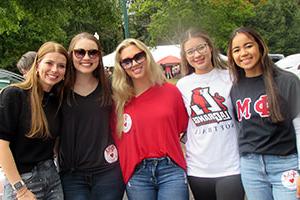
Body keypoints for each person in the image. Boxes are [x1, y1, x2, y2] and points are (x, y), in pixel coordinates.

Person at [227, 27, 300, 200]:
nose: (243, 53)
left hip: (284, 165)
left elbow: (299, 129)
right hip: (251, 168)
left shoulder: (287, 81)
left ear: (260, 46)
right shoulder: (235, 88)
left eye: (248, 46)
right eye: (236, 50)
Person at [111, 38, 189, 200]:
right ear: (122, 67)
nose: (134, 63)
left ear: (147, 56)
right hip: (137, 173)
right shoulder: (118, 101)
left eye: (138, 56)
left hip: (171, 169)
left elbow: (183, 128)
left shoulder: (171, 92)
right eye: (126, 61)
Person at [176, 28, 244, 200]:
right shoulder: (182, 85)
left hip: (231, 167)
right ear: (185, 56)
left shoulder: (231, 76)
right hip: (198, 169)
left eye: (201, 47)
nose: (197, 54)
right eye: (190, 51)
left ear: (210, 47)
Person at [58, 32, 125, 200]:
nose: (86, 57)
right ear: (71, 54)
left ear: (99, 55)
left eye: (93, 52)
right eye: (80, 52)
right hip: (72, 175)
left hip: (108, 172)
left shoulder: (110, 86)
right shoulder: (59, 89)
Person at [0, 41, 68, 200]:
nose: (54, 70)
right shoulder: (14, 95)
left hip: (52, 179)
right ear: (37, 65)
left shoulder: (55, 100)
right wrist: (20, 189)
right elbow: (2, 146)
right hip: (23, 180)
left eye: (61, 66)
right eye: (49, 63)